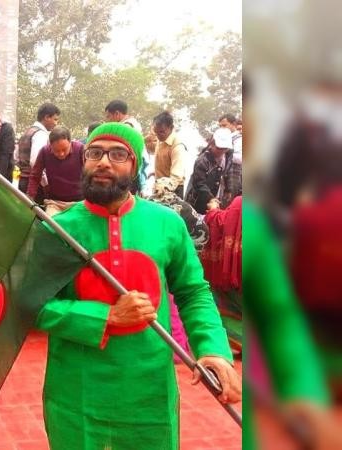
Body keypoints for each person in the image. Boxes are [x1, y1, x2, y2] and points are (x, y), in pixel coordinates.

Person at [34, 122, 240, 450]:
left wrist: (213, 348)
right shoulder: (57, 229)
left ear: (135, 165)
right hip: (76, 389)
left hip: (149, 391)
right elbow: (34, 304)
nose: (103, 162)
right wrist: (106, 317)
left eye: (118, 154)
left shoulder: (167, 223)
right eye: (95, 153)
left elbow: (193, 292)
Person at [26, 126, 84, 215]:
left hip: (79, 202)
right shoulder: (44, 151)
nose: (61, 154)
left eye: (64, 149)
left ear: (70, 142)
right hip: (55, 202)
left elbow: (91, 174)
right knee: (50, 222)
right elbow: (35, 176)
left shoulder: (80, 149)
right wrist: (30, 197)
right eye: (56, 150)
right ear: (50, 145)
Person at [185, 128, 242, 214]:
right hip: (200, 197)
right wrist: (210, 198)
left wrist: (228, 189)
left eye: (225, 148)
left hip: (217, 192)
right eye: (219, 148)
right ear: (212, 144)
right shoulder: (202, 161)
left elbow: (228, 171)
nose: (222, 151)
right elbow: (199, 184)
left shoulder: (228, 155)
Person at [16, 103, 61, 201]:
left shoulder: (28, 132)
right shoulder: (40, 134)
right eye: (55, 119)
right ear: (46, 117)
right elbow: (36, 163)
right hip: (34, 184)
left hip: (23, 180)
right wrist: (46, 184)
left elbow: (16, 156)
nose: (56, 123)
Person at [152, 111, 187, 198]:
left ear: (171, 128)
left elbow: (177, 176)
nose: (158, 136)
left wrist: (163, 188)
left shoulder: (178, 146)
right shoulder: (160, 139)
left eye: (161, 132)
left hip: (173, 189)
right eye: (156, 132)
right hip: (159, 186)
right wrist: (156, 172)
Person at [140, 132, 157, 197]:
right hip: (144, 190)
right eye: (155, 141)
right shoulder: (143, 156)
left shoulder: (156, 153)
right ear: (147, 143)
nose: (157, 143)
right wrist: (143, 188)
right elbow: (141, 173)